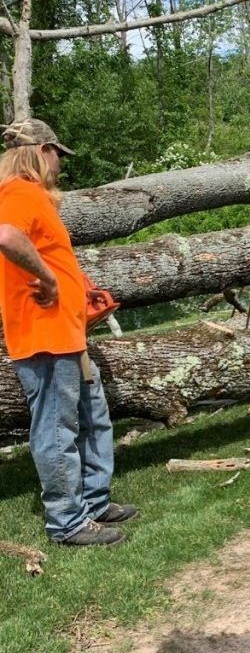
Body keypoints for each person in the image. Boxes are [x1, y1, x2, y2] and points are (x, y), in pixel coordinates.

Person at [0, 118, 137, 547]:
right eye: (58, 154)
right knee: (57, 429)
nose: (60, 164)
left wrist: (79, 289)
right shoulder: (19, 192)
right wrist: (51, 280)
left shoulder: (36, 198)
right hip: (44, 335)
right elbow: (5, 237)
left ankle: (93, 503)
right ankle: (67, 521)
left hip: (66, 330)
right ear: (42, 152)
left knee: (92, 416)